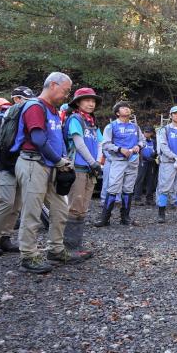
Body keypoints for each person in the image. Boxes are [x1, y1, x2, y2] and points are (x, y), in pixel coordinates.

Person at [11, 72, 82, 274]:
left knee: (60, 208)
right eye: (66, 90)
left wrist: (61, 160)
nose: (66, 95)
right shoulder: (35, 106)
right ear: (53, 85)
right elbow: (38, 139)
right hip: (33, 163)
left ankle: (56, 250)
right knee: (32, 211)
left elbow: (53, 139)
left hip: (51, 166)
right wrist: (59, 160)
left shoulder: (52, 110)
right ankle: (28, 255)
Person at [0, 86, 35, 257]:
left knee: (16, 205)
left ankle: (5, 237)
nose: (27, 104)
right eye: (24, 100)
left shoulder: (28, 117)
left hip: (22, 164)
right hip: (7, 165)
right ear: (16, 99)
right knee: (6, 202)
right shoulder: (5, 118)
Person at [64, 88, 103, 258]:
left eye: (93, 100)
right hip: (79, 168)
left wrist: (99, 162)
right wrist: (93, 162)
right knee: (74, 207)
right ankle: (68, 248)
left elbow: (101, 142)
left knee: (83, 208)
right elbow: (78, 144)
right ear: (78, 102)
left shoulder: (92, 122)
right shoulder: (75, 119)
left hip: (91, 169)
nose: (91, 103)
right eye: (86, 100)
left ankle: (76, 246)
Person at [97, 101, 144, 227]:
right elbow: (106, 144)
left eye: (128, 107)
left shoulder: (135, 127)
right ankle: (105, 218)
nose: (127, 109)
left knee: (128, 189)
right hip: (118, 160)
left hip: (133, 160)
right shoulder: (111, 126)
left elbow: (142, 141)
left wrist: (138, 146)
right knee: (113, 188)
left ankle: (125, 217)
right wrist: (119, 149)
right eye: (123, 108)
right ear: (117, 113)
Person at [134, 126, 158, 205]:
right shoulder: (140, 141)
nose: (146, 134)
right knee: (140, 180)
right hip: (142, 162)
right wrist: (145, 157)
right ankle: (137, 199)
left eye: (148, 132)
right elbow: (137, 151)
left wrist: (154, 156)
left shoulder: (154, 141)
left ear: (151, 133)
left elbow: (156, 150)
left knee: (150, 181)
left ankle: (149, 199)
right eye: (145, 132)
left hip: (151, 163)